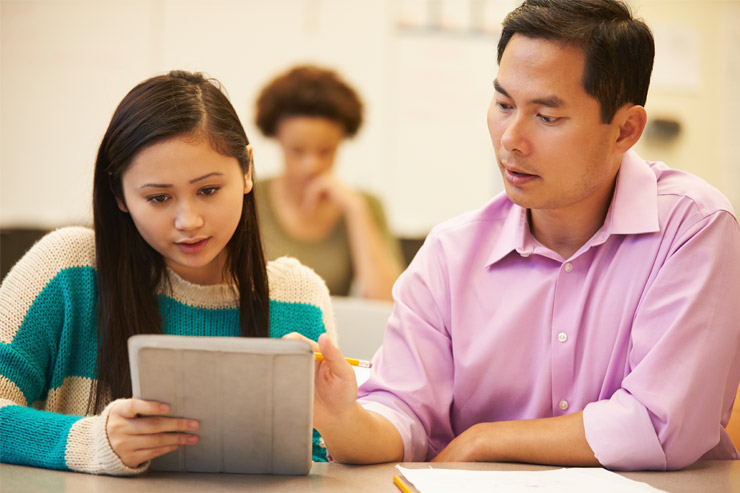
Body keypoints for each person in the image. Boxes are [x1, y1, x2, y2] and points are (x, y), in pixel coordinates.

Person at [290, 0, 740, 471]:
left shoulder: (693, 227)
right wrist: (342, 419)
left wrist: (486, 440)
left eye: (546, 117)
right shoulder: (450, 254)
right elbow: (402, 414)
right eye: (504, 105)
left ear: (625, 129)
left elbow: (660, 422)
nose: (511, 139)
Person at [0, 70, 335, 475]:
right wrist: (93, 441)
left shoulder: (297, 293)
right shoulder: (67, 267)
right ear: (119, 195)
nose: (188, 220)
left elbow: (319, 458)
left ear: (247, 171)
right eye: (159, 198)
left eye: (208, 190)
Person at [253, 65, 403, 301]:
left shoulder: (365, 205)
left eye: (325, 151)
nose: (310, 165)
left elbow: (388, 304)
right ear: (277, 139)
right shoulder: (249, 197)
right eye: (297, 151)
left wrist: (355, 210)